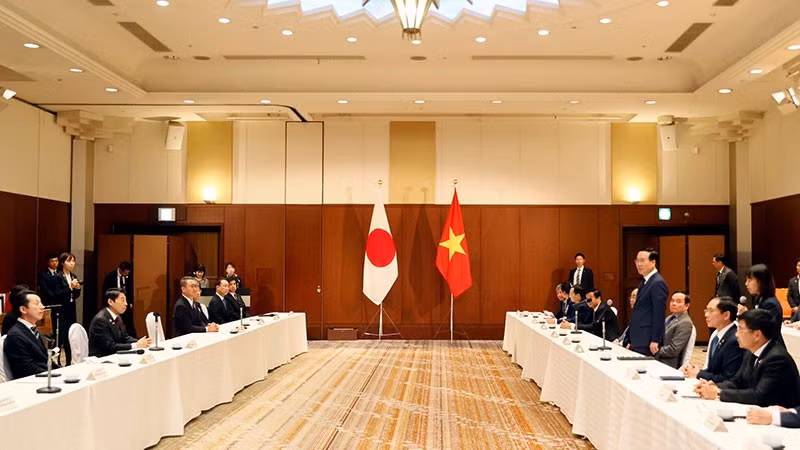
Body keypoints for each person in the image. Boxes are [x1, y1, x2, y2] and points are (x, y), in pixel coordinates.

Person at [695, 309, 800, 407]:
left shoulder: (776, 358)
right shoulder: (751, 352)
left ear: (757, 335)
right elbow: (736, 382)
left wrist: (718, 393)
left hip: (781, 417)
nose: (736, 335)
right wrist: (714, 386)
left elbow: (759, 396)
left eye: (740, 329)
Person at [683, 297, 744, 382]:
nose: (706, 315)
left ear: (726, 315)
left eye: (711, 311)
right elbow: (713, 370)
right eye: (706, 310)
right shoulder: (716, 335)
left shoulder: (734, 340)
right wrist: (696, 371)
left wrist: (698, 374)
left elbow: (728, 377)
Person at [4, 288, 58, 379]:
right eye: (37, 303)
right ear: (23, 309)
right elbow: (27, 370)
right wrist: (56, 376)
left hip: (45, 377)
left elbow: (45, 360)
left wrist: (63, 371)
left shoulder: (34, 330)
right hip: (31, 383)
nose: (43, 307)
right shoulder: (16, 336)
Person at [623, 248, 668, 356]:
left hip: (647, 339)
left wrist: (655, 340)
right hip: (638, 337)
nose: (639, 264)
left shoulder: (657, 283)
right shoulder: (645, 281)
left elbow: (659, 313)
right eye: (637, 261)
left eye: (642, 260)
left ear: (653, 262)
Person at [88, 288, 151, 357]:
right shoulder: (100, 320)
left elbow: (125, 337)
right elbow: (110, 346)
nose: (126, 304)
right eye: (122, 300)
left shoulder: (117, 317)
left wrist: (141, 342)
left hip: (115, 355)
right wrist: (136, 345)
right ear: (110, 302)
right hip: (101, 359)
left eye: (125, 300)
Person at [49, 252, 81, 365]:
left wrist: (77, 289)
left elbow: (76, 295)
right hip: (60, 310)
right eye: (69, 261)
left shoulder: (74, 276)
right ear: (62, 263)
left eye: (73, 261)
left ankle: (69, 361)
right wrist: (69, 287)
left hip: (71, 310)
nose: (72, 264)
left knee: (70, 336)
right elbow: (56, 294)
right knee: (60, 337)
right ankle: (56, 362)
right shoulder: (57, 277)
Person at [655, 291, 694, 369]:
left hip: (667, 363)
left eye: (678, 302)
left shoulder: (685, 323)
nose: (674, 304)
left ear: (686, 306)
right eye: (672, 300)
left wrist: (654, 350)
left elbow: (673, 350)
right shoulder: (669, 318)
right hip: (658, 358)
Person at [740, 264, 782, 329]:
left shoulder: (771, 304)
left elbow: (766, 329)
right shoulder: (758, 299)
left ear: (761, 281)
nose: (746, 283)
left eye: (750, 280)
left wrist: (747, 314)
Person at [101, 261, 136, 338]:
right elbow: (106, 291)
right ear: (120, 270)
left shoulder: (128, 277)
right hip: (114, 302)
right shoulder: (110, 276)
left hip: (125, 302)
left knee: (128, 322)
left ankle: (130, 337)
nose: (127, 274)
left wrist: (130, 302)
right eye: (125, 273)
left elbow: (130, 290)